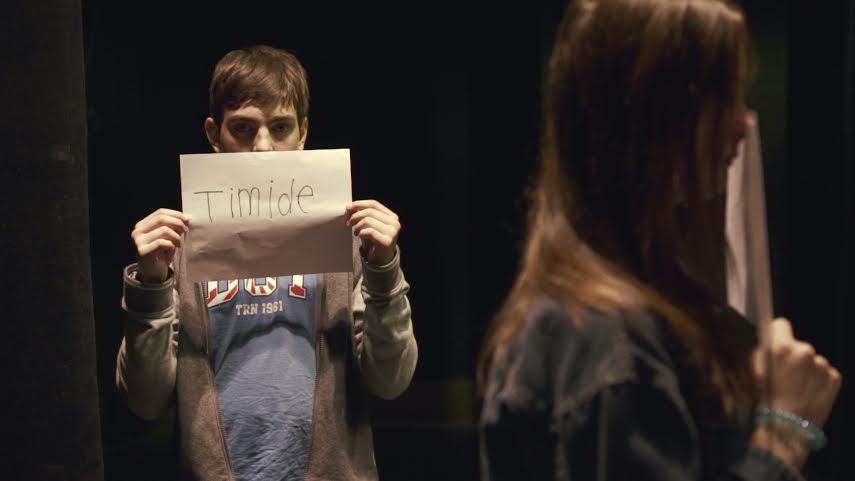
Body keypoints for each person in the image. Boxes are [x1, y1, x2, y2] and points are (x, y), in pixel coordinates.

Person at [478, 1, 841, 480]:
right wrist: (784, 433)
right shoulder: (602, 337)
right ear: (658, 113)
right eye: (724, 96)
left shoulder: (607, 313)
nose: (743, 123)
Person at [116, 45, 417, 481]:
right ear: (213, 134)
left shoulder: (348, 244)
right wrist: (150, 286)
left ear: (303, 133)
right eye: (242, 128)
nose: (262, 147)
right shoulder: (174, 252)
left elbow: (391, 381)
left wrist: (384, 272)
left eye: (280, 127)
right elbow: (145, 402)